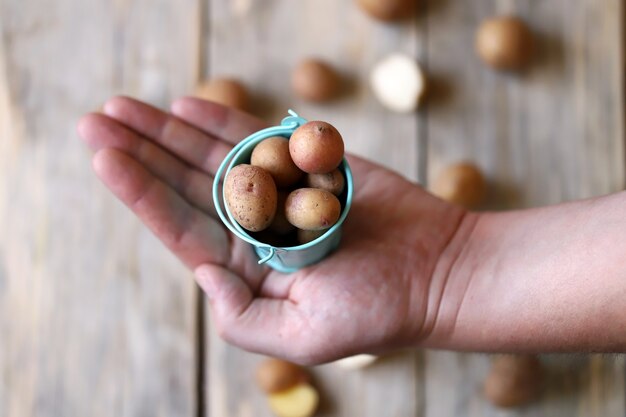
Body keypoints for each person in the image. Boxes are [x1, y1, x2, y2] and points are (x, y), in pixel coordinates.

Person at [78, 96, 626, 364]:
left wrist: (451, 274)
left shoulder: (312, 181)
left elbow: (304, 177)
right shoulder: (276, 180)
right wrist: (452, 273)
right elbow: (277, 185)